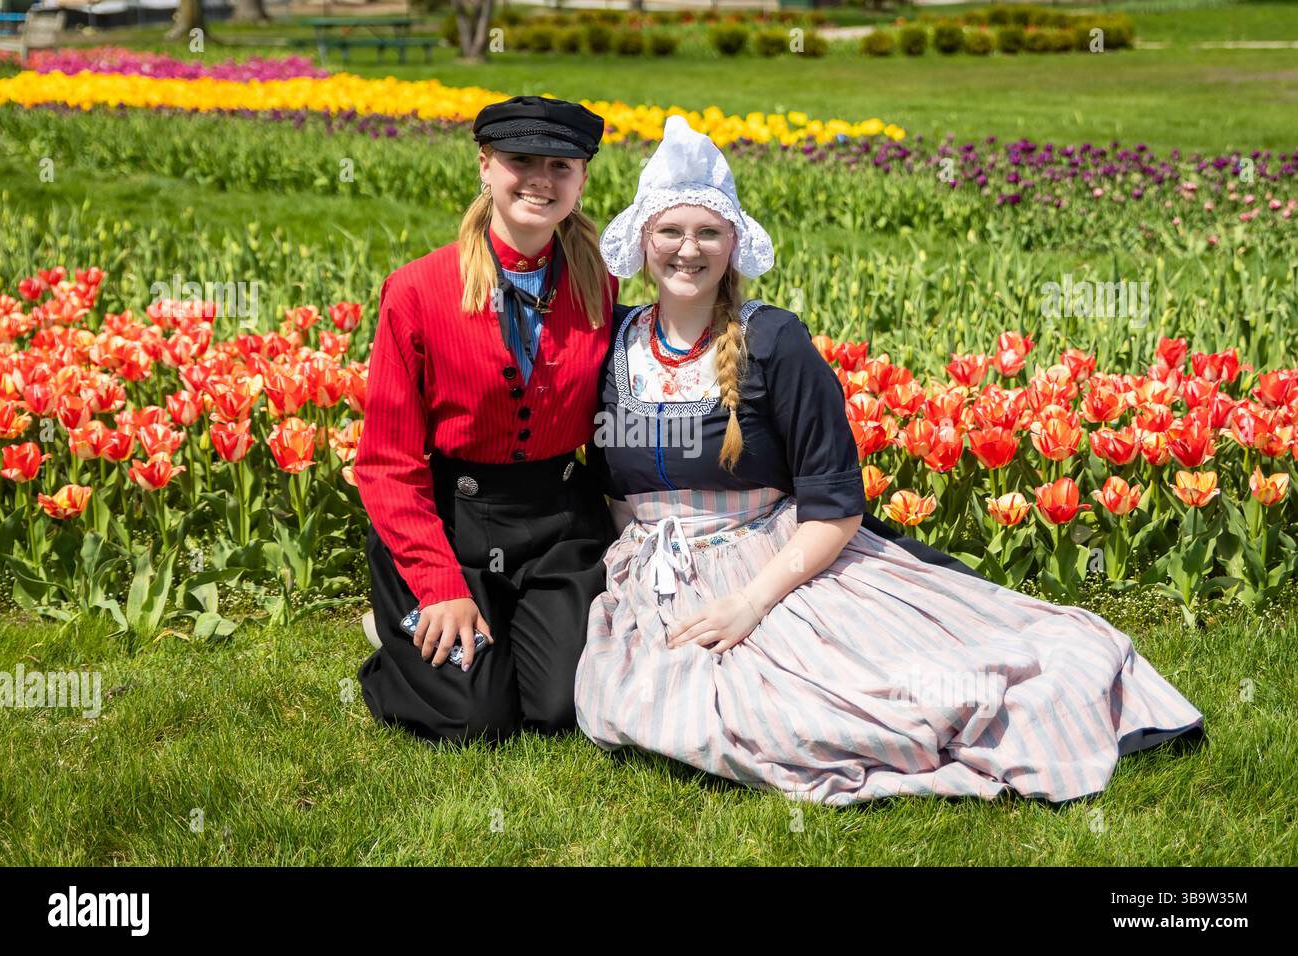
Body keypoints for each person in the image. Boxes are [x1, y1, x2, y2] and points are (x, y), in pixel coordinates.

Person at [574, 115, 1205, 806]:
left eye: (708, 232)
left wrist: (751, 603)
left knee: (824, 708)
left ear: (734, 243)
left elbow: (835, 504)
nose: (687, 249)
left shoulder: (775, 341)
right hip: (652, 569)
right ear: (643, 239)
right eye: (671, 231)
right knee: (628, 699)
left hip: (771, 560)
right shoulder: (615, 341)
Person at [354, 96, 622, 744]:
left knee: (561, 708)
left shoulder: (601, 287)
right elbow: (386, 463)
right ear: (485, 165)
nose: (540, 179)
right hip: (453, 521)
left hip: (559, 524)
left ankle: (486, 624)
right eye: (520, 160)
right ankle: (400, 624)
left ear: (583, 179)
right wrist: (441, 583)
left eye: (561, 165)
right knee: (476, 721)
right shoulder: (417, 290)